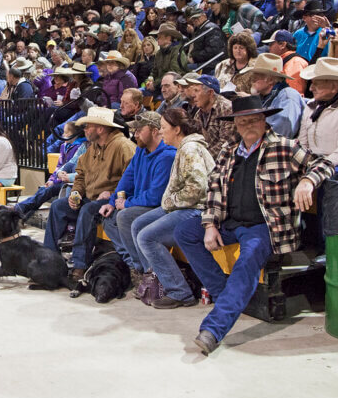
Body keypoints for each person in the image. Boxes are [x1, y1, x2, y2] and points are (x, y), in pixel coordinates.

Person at [173, 96, 334, 356]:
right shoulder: (228, 150)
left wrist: (307, 181)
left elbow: (324, 163)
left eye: (254, 119)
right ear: (235, 124)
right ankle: (225, 296)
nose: (249, 125)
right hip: (229, 222)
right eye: (243, 121)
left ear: (264, 120)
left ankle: (213, 329)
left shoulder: (284, 146)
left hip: (264, 227)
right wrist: (210, 224)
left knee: (247, 260)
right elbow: (214, 187)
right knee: (184, 231)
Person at [126, 108, 215, 308]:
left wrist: (170, 201)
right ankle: (157, 281)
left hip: (195, 210)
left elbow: (197, 189)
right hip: (182, 206)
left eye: (164, 128)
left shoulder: (190, 149)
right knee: (137, 224)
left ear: (177, 129)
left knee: (146, 237)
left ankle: (179, 292)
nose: (161, 132)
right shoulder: (183, 148)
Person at [44, 107, 135, 282]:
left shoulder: (123, 146)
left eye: (87, 126)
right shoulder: (92, 147)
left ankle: (80, 265)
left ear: (100, 128)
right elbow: (81, 175)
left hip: (110, 200)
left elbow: (133, 178)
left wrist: (114, 194)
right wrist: (76, 193)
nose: (84, 130)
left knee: (88, 210)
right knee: (58, 206)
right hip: (91, 198)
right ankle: (49, 259)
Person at [100, 112, 177, 282]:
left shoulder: (167, 156)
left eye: (139, 130)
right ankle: (134, 266)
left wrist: (127, 203)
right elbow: (127, 178)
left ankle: (148, 272)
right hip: (141, 203)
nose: (135, 135)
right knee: (108, 217)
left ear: (155, 131)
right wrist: (112, 202)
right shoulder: (141, 151)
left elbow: (156, 197)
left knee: (125, 217)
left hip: (159, 207)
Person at [10, 122, 86, 223]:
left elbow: (72, 167)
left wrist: (54, 182)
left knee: (46, 191)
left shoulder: (79, 147)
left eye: (66, 133)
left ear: (74, 134)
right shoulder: (63, 146)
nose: (63, 135)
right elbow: (59, 166)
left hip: (67, 182)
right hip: (59, 179)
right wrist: (51, 179)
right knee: (42, 190)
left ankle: (19, 209)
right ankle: (23, 215)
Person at [240, 53, 305, 138]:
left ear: (270, 80)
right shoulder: (265, 97)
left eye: (256, 76)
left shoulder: (287, 96)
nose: (252, 79)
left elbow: (283, 133)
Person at [187, 74, 237, 158]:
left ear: (210, 93)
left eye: (197, 91)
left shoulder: (226, 109)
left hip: (226, 160)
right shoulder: (198, 114)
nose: (193, 95)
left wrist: (202, 159)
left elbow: (226, 144)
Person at [262, 30, 309, 95]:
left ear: (282, 45)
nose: (269, 48)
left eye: (271, 44)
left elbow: (293, 94)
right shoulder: (285, 61)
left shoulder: (295, 63)